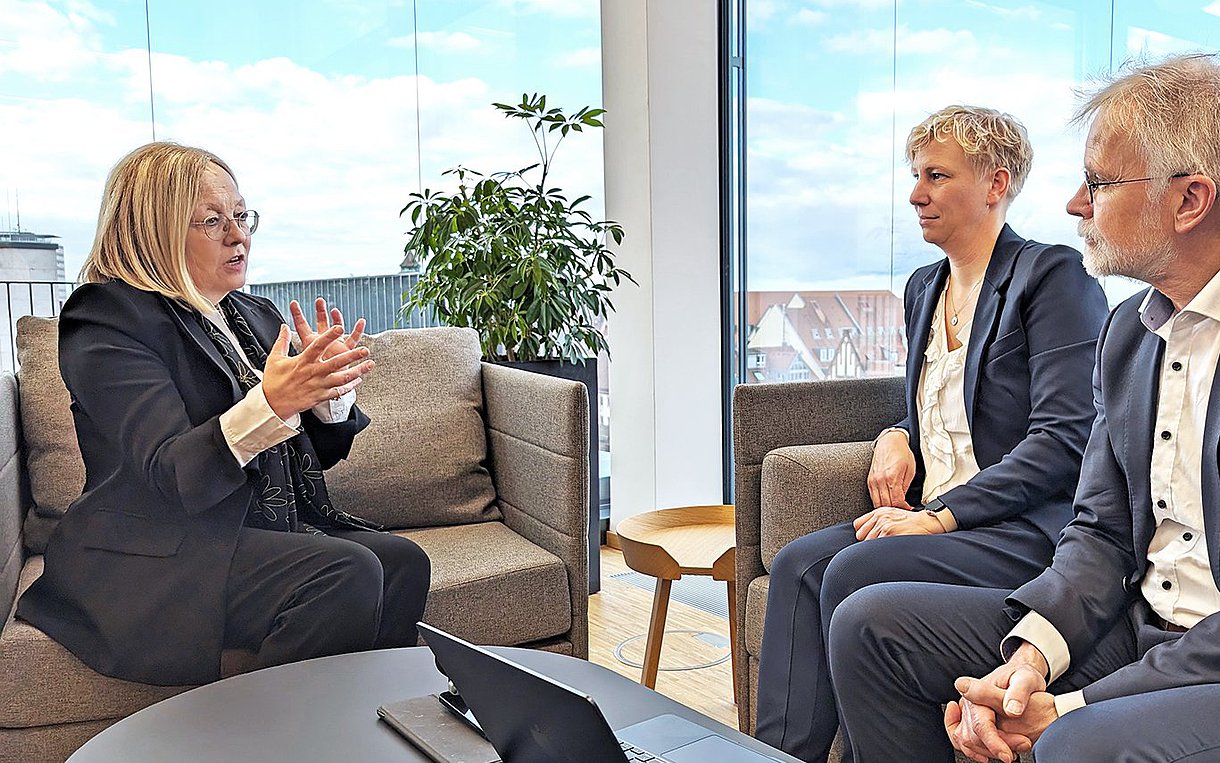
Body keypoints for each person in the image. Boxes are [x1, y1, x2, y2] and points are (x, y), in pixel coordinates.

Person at [824, 53, 1220, 763]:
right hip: (1139, 621)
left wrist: (1064, 705)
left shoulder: (1049, 279)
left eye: (1097, 182)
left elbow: (1055, 441)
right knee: (869, 622)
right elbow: (1099, 529)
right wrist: (1030, 661)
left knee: (1075, 743)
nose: (1074, 203)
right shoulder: (1131, 332)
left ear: (1190, 200)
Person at [753, 106, 1109, 762]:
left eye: (937, 175)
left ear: (995, 184)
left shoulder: (1051, 276)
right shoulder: (923, 287)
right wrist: (896, 432)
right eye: (916, 175)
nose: (916, 193)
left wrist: (940, 517)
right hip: (942, 519)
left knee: (856, 569)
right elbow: (935, 407)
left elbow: (1065, 438)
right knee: (800, 565)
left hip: (1020, 528)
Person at [16, 142, 430, 686]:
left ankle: (356, 720)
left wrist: (327, 398)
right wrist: (274, 402)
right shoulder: (107, 317)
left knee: (403, 562)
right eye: (212, 221)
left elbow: (305, 455)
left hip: (247, 529)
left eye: (240, 215)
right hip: (159, 548)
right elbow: (171, 472)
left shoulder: (250, 312)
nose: (239, 236)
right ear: (152, 233)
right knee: (343, 573)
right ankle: (270, 739)